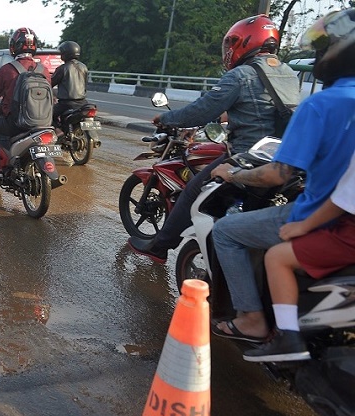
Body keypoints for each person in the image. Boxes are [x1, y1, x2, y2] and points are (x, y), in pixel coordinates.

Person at [209, 8, 355, 343]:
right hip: (343, 213)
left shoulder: (321, 104)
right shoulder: (287, 75)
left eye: (324, 47)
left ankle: (251, 318)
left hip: (317, 211)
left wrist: (233, 175)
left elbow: (278, 173)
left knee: (226, 231)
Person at [127, 15, 300, 263]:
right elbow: (261, 109)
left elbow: (201, 109)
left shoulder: (241, 75)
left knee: (192, 191)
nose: (229, 50)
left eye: (232, 42)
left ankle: (159, 247)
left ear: (246, 42)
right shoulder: (287, 73)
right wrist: (221, 118)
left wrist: (167, 118)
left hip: (246, 156)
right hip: (281, 155)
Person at [244, 151, 355, 362]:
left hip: (349, 235)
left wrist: (304, 226)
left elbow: (342, 201)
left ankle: (287, 336)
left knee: (277, 257)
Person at [0, 27, 52, 177]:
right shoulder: (44, 71)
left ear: (13, 47)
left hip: (17, 124)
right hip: (43, 123)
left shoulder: (7, 70)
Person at [51, 41, 88, 138]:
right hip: (83, 102)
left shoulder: (62, 69)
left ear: (65, 53)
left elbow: (50, 83)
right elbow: (85, 84)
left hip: (66, 104)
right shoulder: (84, 67)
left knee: (48, 115)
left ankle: (59, 132)